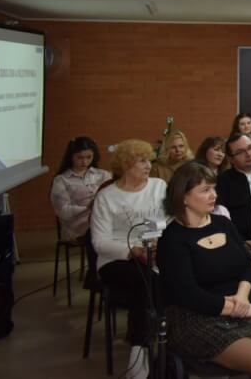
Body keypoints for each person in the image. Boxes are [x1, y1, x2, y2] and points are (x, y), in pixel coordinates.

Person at [158, 163, 251, 379]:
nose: (213, 195)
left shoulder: (222, 223)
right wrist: (235, 308)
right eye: (205, 190)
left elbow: (246, 266)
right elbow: (187, 294)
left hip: (238, 306)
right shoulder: (172, 239)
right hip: (195, 316)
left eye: (214, 188)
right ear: (183, 197)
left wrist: (242, 297)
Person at [90, 139, 168, 379]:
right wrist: (133, 250)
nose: (148, 165)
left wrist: (159, 243)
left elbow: (170, 221)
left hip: (156, 255)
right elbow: (99, 242)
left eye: (149, 160)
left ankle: (144, 350)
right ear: (125, 165)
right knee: (148, 282)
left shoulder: (158, 187)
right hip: (117, 259)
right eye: (141, 161)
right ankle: (144, 351)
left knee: (150, 286)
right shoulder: (107, 197)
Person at [51, 136, 111, 241]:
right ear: (71, 157)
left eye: (89, 157)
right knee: (102, 228)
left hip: (102, 218)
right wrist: (88, 208)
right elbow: (63, 211)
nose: (85, 162)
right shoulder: (62, 180)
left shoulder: (103, 175)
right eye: (80, 158)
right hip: (78, 225)